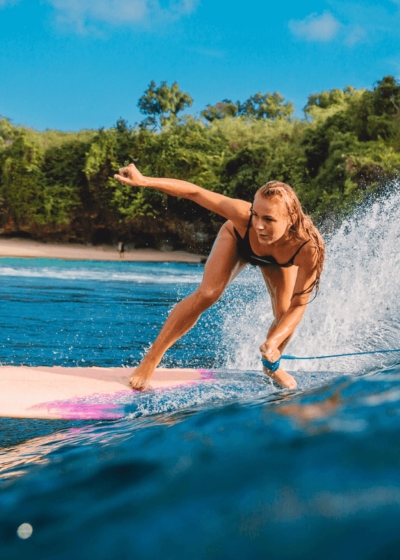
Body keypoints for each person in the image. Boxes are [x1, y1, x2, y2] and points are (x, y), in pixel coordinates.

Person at [113, 164, 325, 391]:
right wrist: (145, 180)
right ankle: (151, 359)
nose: (259, 225)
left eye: (269, 219)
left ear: (291, 219)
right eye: (255, 214)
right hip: (237, 240)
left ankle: (271, 365)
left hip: (277, 262)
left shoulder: (308, 247)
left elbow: (299, 304)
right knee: (208, 293)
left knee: (284, 315)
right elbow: (195, 192)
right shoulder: (243, 218)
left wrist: (273, 343)